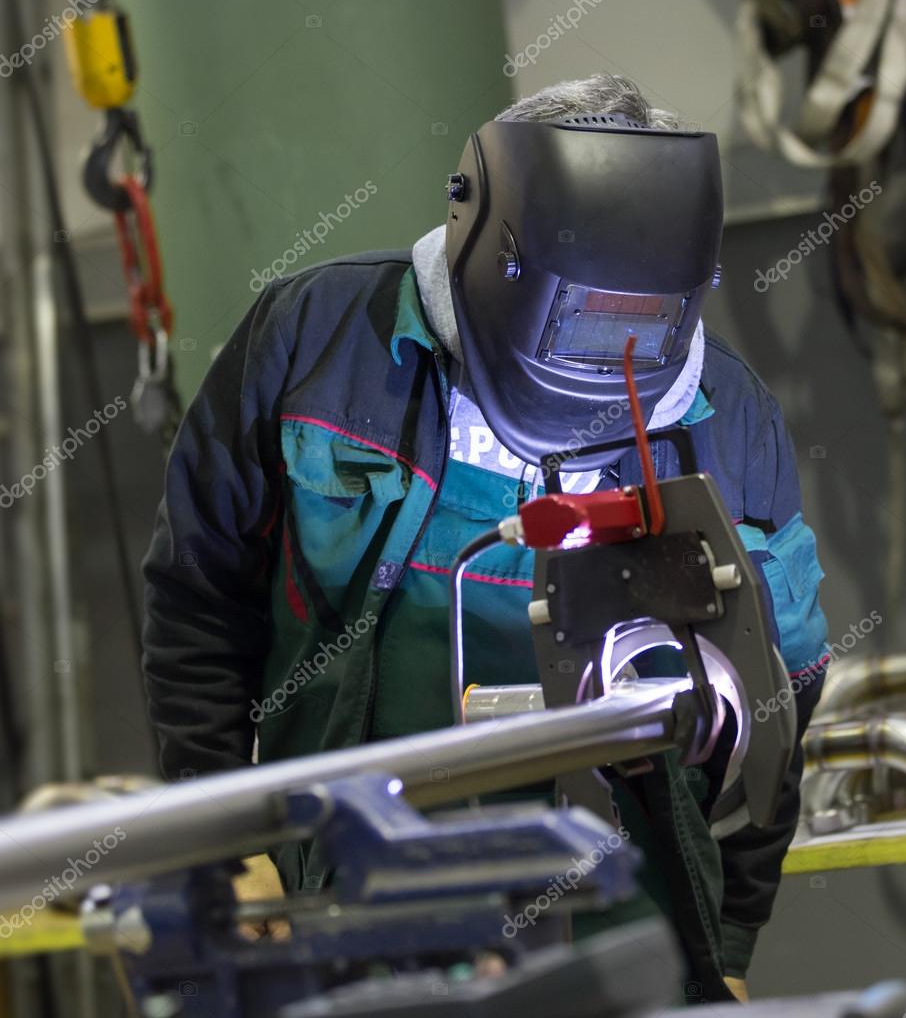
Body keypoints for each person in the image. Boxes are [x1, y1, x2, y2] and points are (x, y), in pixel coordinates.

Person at [142, 74, 829, 1003]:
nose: (599, 357)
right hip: (350, 911)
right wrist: (224, 855)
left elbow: (777, 694)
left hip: (630, 927)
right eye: (577, 312)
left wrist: (733, 943)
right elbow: (196, 607)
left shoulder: (729, 421)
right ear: (482, 233)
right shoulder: (316, 344)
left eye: (637, 321)